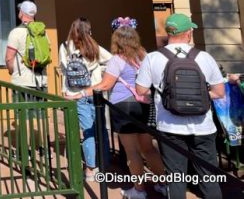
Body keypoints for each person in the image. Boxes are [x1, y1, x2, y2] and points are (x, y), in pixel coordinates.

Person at [135, 13, 225, 199]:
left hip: (169, 126)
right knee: (209, 178)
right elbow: (219, 92)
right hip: (203, 126)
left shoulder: (152, 58)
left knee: (176, 178)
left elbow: (141, 90)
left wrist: (169, 95)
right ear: (188, 32)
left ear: (169, 32)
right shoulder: (205, 57)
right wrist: (197, 96)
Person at [86, 23, 166, 198]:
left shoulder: (117, 60)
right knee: (148, 148)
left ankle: (139, 190)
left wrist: (82, 92)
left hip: (124, 106)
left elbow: (106, 84)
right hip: (144, 104)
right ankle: (163, 184)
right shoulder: (144, 56)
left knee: (132, 151)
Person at [59, 17, 112, 181]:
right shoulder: (94, 46)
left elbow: (63, 68)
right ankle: (104, 165)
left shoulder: (65, 47)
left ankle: (90, 169)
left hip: (75, 93)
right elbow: (111, 60)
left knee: (87, 131)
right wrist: (99, 69)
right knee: (101, 128)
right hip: (95, 92)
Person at [5, 1, 47, 90]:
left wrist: (11, 71)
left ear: (21, 12)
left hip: (22, 82)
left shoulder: (16, 32)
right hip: (42, 81)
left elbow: (9, 58)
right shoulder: (43, 32)